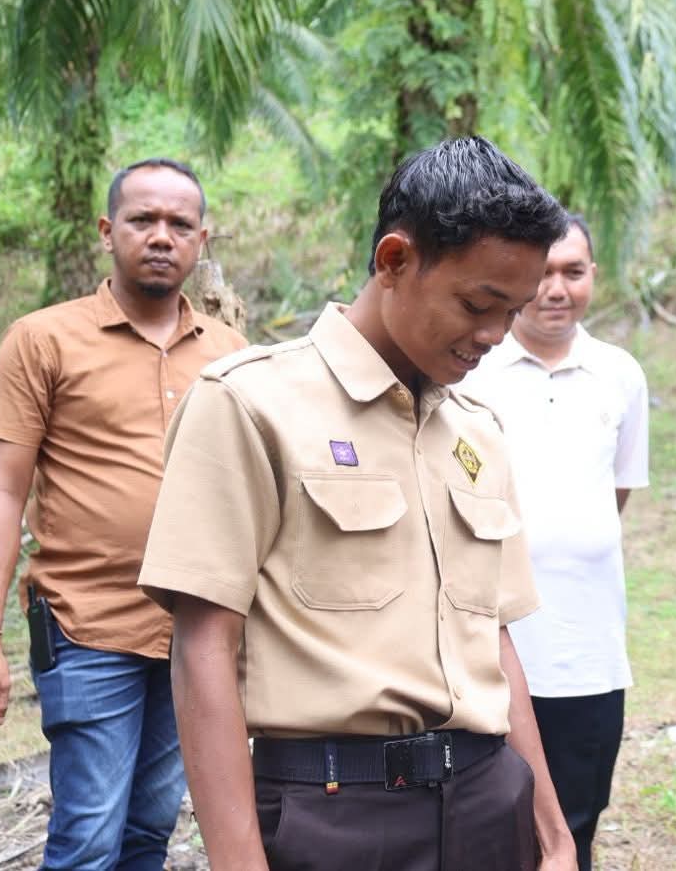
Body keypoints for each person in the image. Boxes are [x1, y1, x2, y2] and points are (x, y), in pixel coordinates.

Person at [138, 138, 576, 871]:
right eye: (478, 304)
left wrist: (553, 835)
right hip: (336, 815)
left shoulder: (478, 429)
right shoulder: (249, 404)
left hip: (488, 802)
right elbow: (204, 647)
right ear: (395, 260)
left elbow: (494, 642)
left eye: (515, 311)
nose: (497, 336)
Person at [0, 158, 247, 870]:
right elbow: (1, 497)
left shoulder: (232, 355)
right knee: (89, 838)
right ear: (108, 232)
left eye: (179, 224)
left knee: (149, 829)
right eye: (143, 220)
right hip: (87, 627)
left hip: (195, 629)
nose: (161, 236)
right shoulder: (44, 339)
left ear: (203, 239)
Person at [457, 214, 650, 871]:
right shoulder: (471, 372)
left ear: (594, 274)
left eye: (573, 271)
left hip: (588, 651)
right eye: (541, 273)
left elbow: (615, 494)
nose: (555, 289)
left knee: (577, 822)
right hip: (489, 646)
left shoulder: (619, 375)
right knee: (494, 823)